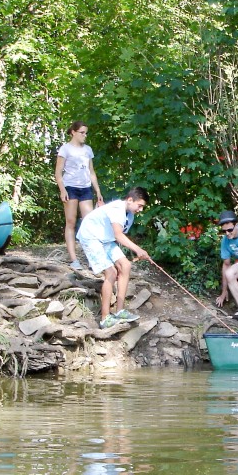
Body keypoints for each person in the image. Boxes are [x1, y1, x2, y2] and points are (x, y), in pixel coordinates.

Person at [76, 187, 149, 329]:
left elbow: (117, 238)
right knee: (111, 272)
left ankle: (120, 311)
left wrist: (118, 260)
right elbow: (118, 235)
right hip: (91, 236)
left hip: (106, 239)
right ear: (129, 200)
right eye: (139, 205)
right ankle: (105, 318)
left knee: (125, 266)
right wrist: (138, 250)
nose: (140, 209)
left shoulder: (130, 215)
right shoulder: (117, 209)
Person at [55, 121, 104, 270]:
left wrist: (98, 191)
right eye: (82, 132)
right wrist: (62, 190)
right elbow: (58, 172)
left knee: (88, 223)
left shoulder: (88, 150)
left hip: (86, 188)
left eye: (86, 133)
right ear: (73, 132)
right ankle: (74, 260)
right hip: (70, 187)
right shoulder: (65, 149)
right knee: (71, 222)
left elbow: (91, 172)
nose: (85, 135)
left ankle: (92, 258)